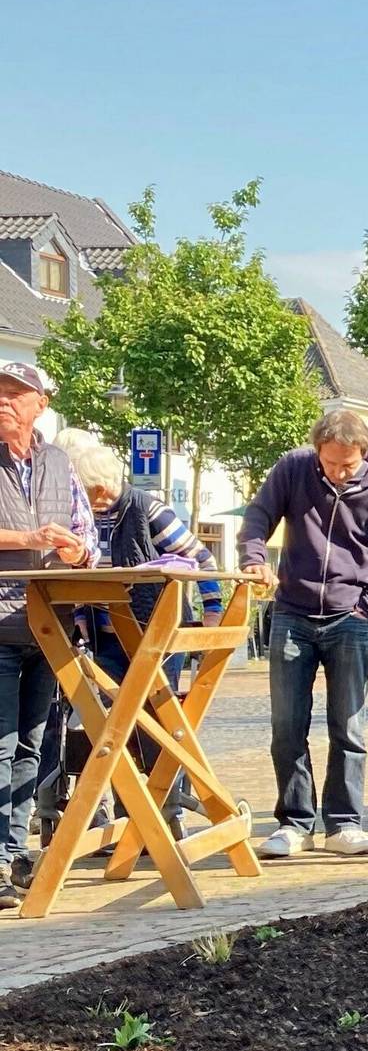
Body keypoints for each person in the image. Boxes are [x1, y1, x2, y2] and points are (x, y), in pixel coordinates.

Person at [238, 411, 368, 858]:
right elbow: (257, 516)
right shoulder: (294, 467)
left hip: (350, 617)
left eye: (346, 465)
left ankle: (344, 823)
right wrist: (253, 557)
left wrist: (365, 607)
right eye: (329, 463)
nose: (336, 472)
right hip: (292, 611)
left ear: (365, 453)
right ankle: (295, 823)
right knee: (287, 724)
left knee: (348, 726)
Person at [39, 432, 223, 836]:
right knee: (105, 724)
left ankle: (161, 816)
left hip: (151, 639)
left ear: (100, 490)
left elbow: (202, 559)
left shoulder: (148, 510)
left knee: (155, 725)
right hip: (104, 641)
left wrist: (213, 614)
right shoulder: (90, 518)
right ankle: (127, 818)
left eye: (84, 495)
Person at [0, 362, 94, 909]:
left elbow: (86, 536)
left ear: (41, 403)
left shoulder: (59, 463)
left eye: (17, 394)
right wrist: (27, 536)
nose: (5, 401)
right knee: (1, 744)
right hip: (0, 622)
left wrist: (77, 551)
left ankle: (14, 855)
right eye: (0, 393)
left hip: (49, 625)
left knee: (34, 747)